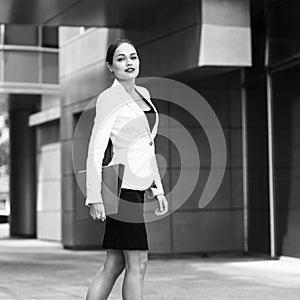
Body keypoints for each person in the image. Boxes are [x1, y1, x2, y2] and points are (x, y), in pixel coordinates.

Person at [85, 38, 168, 300]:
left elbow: (147, 145)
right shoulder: (109, 98)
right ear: (110, 66)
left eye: (132, 56)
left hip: (138, 186)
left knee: (115, 263)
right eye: (121, 59)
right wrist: (94, 196)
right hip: (121, 189)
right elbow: (96, 149)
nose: (129, 62)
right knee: (138, 262)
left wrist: (158, 188)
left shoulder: (144, 94)